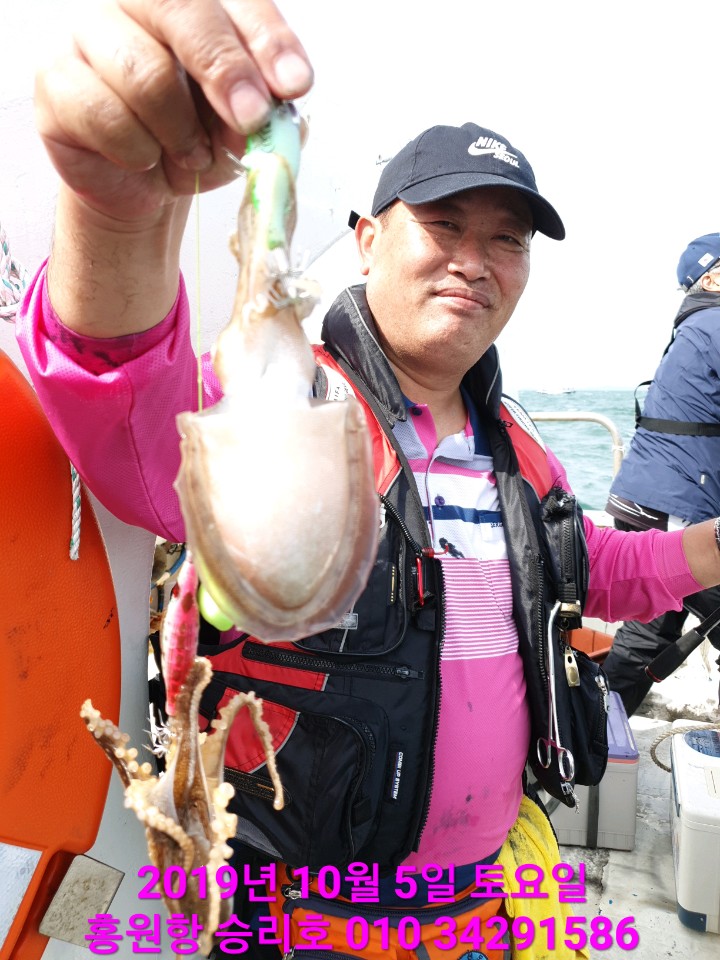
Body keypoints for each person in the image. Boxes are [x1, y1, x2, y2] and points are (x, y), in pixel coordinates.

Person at [15, 3, 720, 958]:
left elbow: (589, 564)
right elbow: (129, 409)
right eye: (443, 223)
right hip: (300, 916)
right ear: (367, 238)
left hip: (484, 902)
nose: (474, 261)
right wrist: (115, 217)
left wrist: (710, 547)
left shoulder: (519, 445)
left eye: (508, 240)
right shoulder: (285, 404)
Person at [603, 234, 720, 716]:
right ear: (712, 279)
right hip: (675, 506)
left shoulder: (697, 326)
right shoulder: (715, 322)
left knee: (652, 627)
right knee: (658, 623)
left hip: (647, 499)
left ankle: (595, 731)